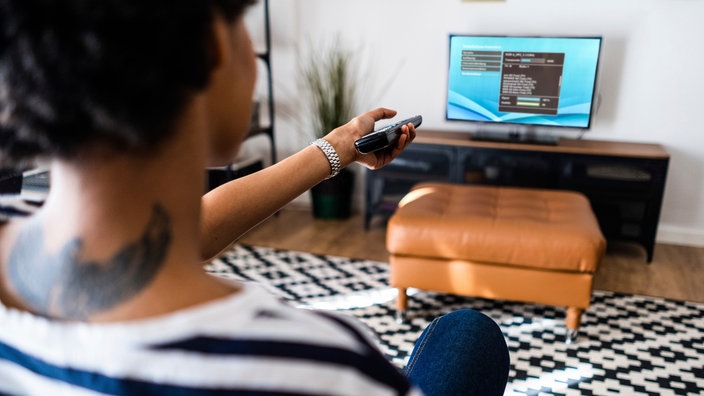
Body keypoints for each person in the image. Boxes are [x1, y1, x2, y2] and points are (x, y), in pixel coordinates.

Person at [0, 0, 509, 394]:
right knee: (469, 335)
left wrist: (335, 148)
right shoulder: (315, 365)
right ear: (213, 48)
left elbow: (189, 229)